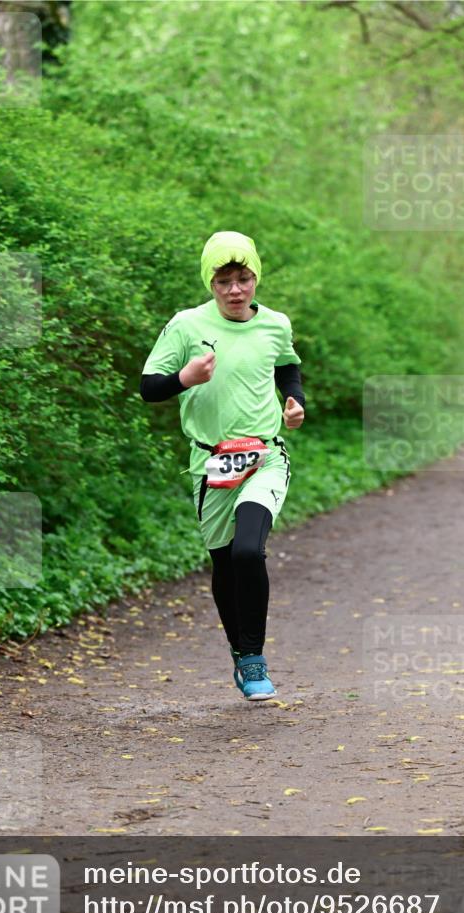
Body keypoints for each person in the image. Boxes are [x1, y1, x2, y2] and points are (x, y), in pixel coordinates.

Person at [140, 231, 305, 700]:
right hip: (210, 463)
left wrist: (294, 402)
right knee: (225, 564)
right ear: (210, 284)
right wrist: (183, 378)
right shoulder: (186, 326)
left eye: (244, 279)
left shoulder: (275, 324)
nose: (235, 290)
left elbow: (287, 368)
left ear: (256, 279)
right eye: (224, 281)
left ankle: (254, 660)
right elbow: (149, 386)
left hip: (265, 456)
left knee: (248, 551)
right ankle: (240, 654)